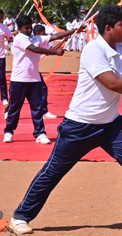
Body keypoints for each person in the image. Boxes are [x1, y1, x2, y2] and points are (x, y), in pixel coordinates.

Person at [9, 4, 122, 236]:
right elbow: (112, 82)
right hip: (80, 126)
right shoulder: (94, 50)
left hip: (111, 126)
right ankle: (20, 217)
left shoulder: (121, 47)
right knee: (53, 171)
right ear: (108, 28)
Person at [4, 16, 78, 144]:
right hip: (19, 79)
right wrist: (55, 53)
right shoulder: (19, 39)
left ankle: (40, 133)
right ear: (19, 29)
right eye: (25, 28)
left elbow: (56, 36)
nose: (28, 30)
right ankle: (9, 131)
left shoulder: (36, 38)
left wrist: (75, 30)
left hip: (34, 80)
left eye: (30, 28)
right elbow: (34, 49)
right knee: (15, 107)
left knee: (37, 108)